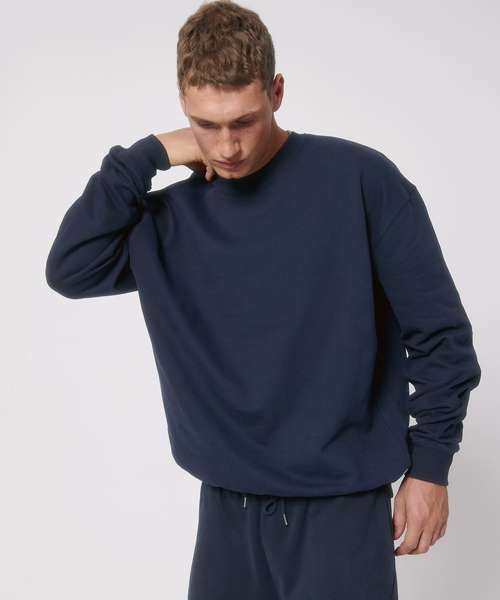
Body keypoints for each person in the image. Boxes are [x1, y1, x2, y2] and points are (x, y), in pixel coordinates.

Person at [45, 1, 482, 598]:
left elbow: (440, 333)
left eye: (243, 122)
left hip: (341, 506)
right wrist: (149, 154)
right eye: (206, 124)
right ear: (183, 107)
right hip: (227, 507)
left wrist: (430, 467)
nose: (227, 147)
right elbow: (72, 268)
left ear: (276, 91)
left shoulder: (360, 181)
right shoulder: (173, 218)